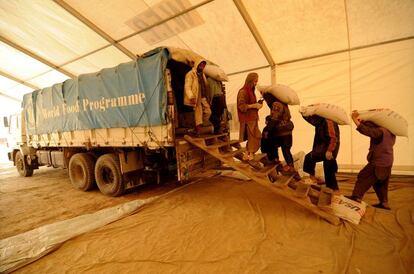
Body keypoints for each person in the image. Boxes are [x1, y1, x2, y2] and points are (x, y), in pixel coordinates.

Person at [346, 111, 396, 209]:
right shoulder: (391, 132)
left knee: (363, 176)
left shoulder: (380, 131)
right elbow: (372, 126)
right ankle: (384, 202)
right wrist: (362, 120)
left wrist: (355, 120)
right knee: (380, 183)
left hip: (378, 162)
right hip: (388, 162)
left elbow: (369, 131)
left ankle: (356, 197)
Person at [260, 92, 297, 176]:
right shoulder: (283, 104)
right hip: (287, 131)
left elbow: (275, 118)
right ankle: (290, 166)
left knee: (269, 140)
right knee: (286, 149)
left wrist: (267, 129)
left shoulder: (277, 104)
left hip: (282, 133)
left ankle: (274, 159)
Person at [301, 115, 340, 192]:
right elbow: (310, 120)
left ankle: (332, 188)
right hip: (322, 148)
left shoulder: (329, 122)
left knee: (327, 166)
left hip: (329, 148)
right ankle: (314, 179)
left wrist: (330, 150)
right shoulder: (320, 122)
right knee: (310, 158)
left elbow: (333, 138)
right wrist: (304, 114)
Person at [237, 72, 263, 161]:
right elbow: (241, 107)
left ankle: (247, 153)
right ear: (250, 81)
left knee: (254, 137)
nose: (256, 83)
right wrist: (253, 106)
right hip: (247, 119)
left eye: (257, 81)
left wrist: (258, 105)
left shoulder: (251, 92)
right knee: (254, 137)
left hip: (253, 118)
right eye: (255, 81)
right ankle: (250, 154)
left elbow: (251, 106)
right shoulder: (243, 91)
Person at [184, 60, 211, 135]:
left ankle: (197, 125)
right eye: (201, 65)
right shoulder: (190, 74)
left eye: (203, 65)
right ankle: (197, 129)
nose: (202, 67)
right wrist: (191, 96)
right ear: (197, 65)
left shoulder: (202, 74)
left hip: (202, 97)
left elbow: (205, 86)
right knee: (198, 114)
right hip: (195, 97)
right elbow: (187, 86)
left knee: (208, 112)